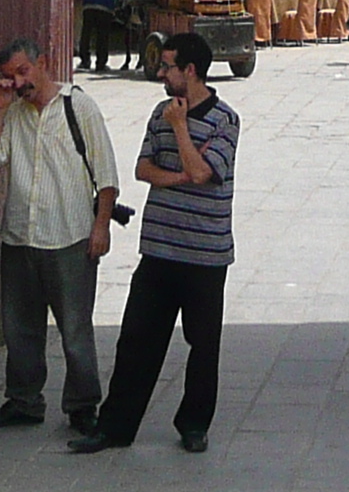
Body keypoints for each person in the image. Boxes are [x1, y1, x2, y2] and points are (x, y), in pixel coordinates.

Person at [69, 32, 237, 455]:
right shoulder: (157, 113)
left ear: (190, 71)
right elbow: (144, 169)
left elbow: (204, 173)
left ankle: (194, 425)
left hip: (205, 254)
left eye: (168, 67)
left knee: (202, 344)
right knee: (137, 340)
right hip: (159, 250)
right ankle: (116, 427)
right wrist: (181, 172)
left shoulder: (225, 120)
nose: (161, 73)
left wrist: (180, 130)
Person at [0, 35, 120, 438]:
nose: (19, 83)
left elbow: (106, 173)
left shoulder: (79, 106)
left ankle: (83, 405)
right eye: (10, 77)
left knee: (75, 328)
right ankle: (23, 400)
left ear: (43, 63)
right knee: (20, 328)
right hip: (20, 237)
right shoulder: (15, 114)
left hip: (69, 236)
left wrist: (101, 227)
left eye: (23, 71)